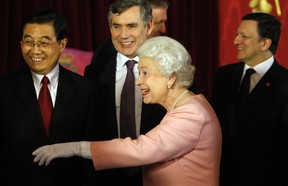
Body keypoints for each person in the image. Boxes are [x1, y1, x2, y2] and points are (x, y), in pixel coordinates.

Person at [33, 36, 222, 186]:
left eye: (145, 73)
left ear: (171, 78)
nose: (139, 81)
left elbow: (141, 149)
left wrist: (78, 148)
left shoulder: (191, 115)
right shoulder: (185, 107)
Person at [0, 9, 99, 185]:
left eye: (44, 43)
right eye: (29, 42)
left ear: (62, 45)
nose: (35, 50)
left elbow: (92, 151)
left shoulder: (86, 90)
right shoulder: (4, 88)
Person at [210, 12, 288, 186]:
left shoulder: (284, 83)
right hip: (223, 177)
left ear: (265, 43)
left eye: (244, 36)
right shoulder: (225, 75)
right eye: (237, 34)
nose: (236, 40)